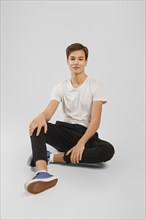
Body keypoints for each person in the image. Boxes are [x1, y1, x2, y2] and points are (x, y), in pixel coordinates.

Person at [24, 43, 115, 194]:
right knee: (36, 125)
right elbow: (48, 112)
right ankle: (42, 173)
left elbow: (96, 121)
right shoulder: (61, 87)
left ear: (86, 61)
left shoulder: (96, 86)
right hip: (64, 132)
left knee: (107, 150)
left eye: (80, 59)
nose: (76, 62)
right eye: (72, 59)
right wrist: (40, 117)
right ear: (67, 61)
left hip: (86, 135)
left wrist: (81, 143)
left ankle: (52, 157)